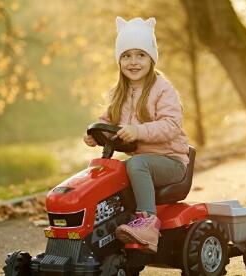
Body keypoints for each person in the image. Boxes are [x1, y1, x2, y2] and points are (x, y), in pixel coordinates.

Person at [84, 16, 189, 253]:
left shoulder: (162, 89)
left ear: (151, 58)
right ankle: (97, 230)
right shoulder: (117, 93)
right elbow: (106, 120)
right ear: (118, 60)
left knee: (136, 164)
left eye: (140, 55)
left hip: (171, 161)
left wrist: (137, 131)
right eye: (126, 55)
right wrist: (94, 133)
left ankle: (148, 223)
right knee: (108, 173)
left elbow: (171, 125)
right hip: (140, 163)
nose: (133, 62)